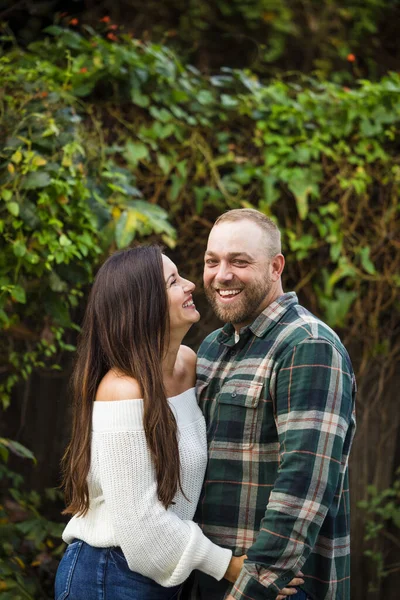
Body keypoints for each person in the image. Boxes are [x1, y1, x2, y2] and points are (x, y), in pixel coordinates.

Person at [55, 246, 248, 600]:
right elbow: (142, 528)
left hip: (164, 579)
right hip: (107, 575)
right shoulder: (122, 389)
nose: (190, 284)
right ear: (144, 306)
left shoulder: (189, 365)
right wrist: (231, 566)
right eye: (173, 281)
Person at [187, 209, 357, 600]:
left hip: (277, 590)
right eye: (212, 261)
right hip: (210, 579)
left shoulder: (308, 345)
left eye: (239, 261)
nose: (221, 274)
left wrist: (255, 585)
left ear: (276, 266)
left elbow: (304, 484)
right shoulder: (214, 346)